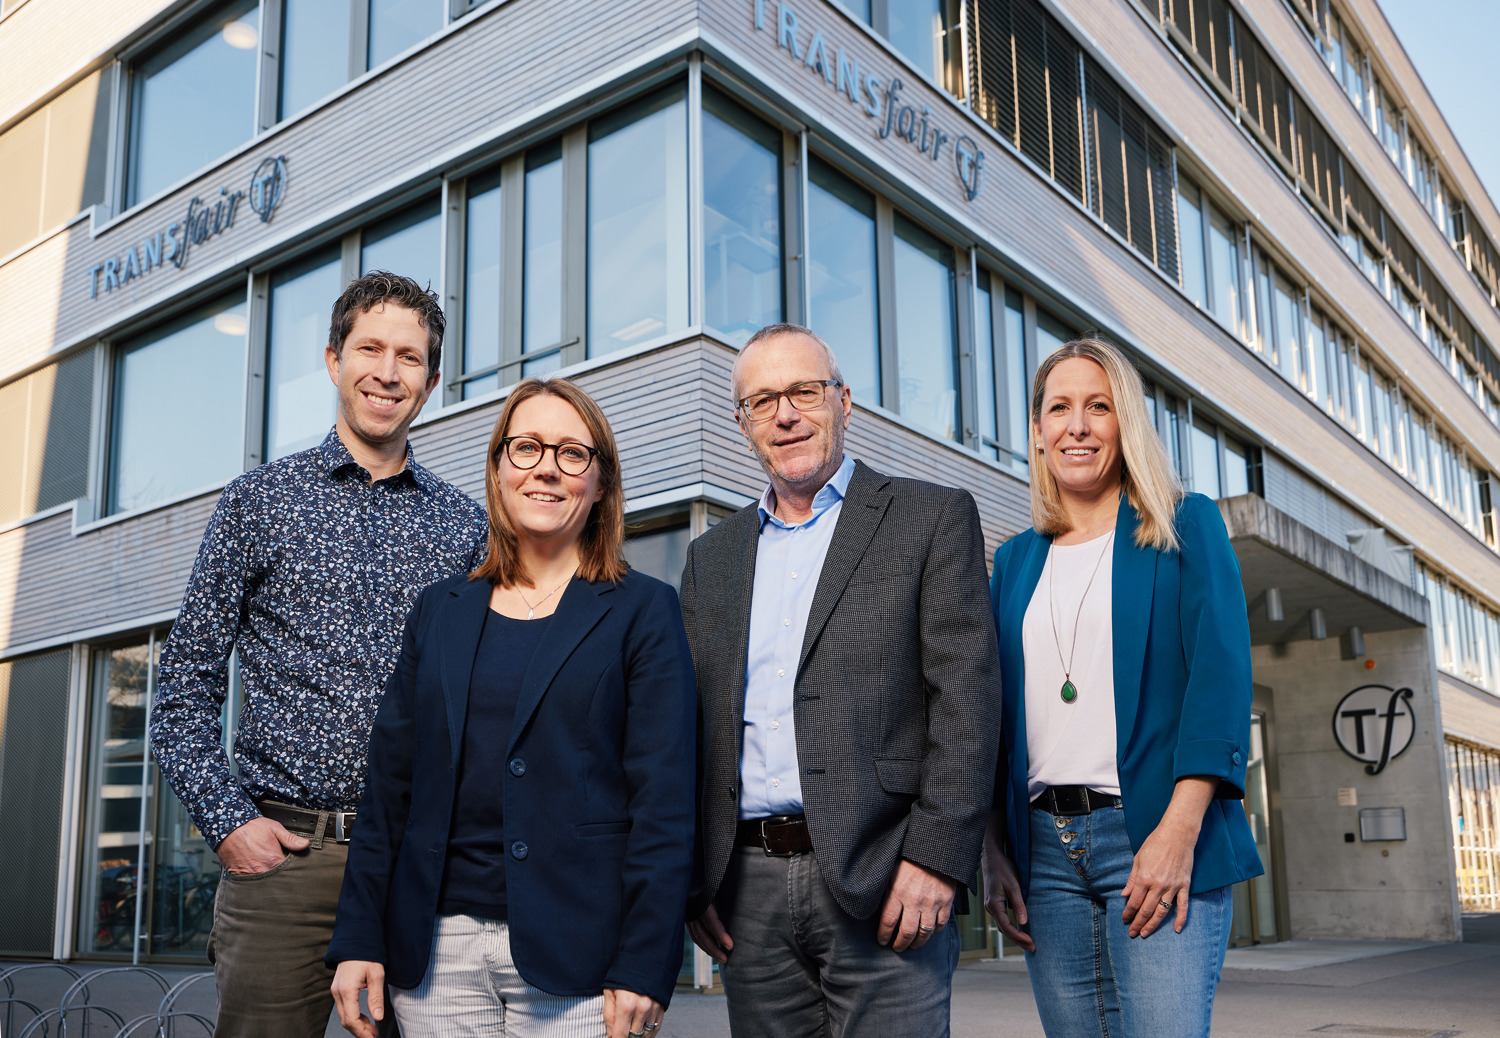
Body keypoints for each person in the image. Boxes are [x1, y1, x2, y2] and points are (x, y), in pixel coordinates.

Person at [151, 271, 488, 1036]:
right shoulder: (258, 502)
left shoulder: (465, 527)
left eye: (409, 357)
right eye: (370, 349)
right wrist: (228, 821)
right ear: (334, 360)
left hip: (417, 865)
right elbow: (183, 689)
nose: (387, 372)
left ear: (431, 383)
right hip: (285, 861)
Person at [326, 377, 696, 1038]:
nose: (546, 468)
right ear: (498, 469)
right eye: (526, 448)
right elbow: (388, 789)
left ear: (601, 483)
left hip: (581, 960)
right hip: (435, 955)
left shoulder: (644, 610)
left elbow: (664, 804)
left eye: (572, 453)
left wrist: (645, 962)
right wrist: (357, 935)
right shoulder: (440, 610)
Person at [681, 323, 1000, 1037]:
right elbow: (693, 728)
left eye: (803, 391)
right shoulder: (712, 558)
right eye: (762, 402)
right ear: (742, 423)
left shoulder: (930, 518)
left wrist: (937, 858)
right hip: (747, 894)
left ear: (843, 402)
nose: (785, 415)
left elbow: (968, 704)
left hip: (888, 876)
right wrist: (696, 877)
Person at [983, 337, 1263, 1038]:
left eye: (1098, 407)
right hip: (1043, 854)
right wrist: (992, 848)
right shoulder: (1014, 561)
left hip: (1154, 834)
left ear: (1125, 422)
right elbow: (989, 717)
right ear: (1038, 432)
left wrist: (1179, 830)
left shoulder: (1184, 524)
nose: (1077, 426)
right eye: (1059, 409)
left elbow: (1221, 679)